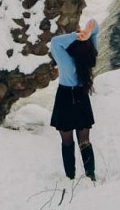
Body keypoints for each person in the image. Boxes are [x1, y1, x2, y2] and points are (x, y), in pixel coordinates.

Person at [49, 19, 99, 181]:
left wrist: (76, 35)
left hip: (65, 98)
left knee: (67, 142)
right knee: (84, 140)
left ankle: (70, 177)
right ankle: (90, 175)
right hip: (81, 97)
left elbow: (55, 41)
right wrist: (87, 33)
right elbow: (95, 27)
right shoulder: (89, 58)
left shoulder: (66, 61)